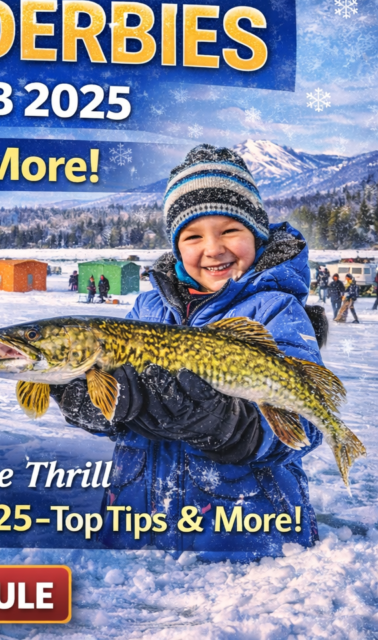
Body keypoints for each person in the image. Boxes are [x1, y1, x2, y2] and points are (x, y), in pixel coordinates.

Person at [50, 144, 325, 562]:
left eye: (230, 230)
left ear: (258, 233)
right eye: (193, 236)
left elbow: (311, 418)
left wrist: (233, 426)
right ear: (177, 248)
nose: (212, 249)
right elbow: (123, 410)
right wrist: (101, 408)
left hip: (244, 545)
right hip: (135, 537)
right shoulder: (146, 310)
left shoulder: (275, 308)